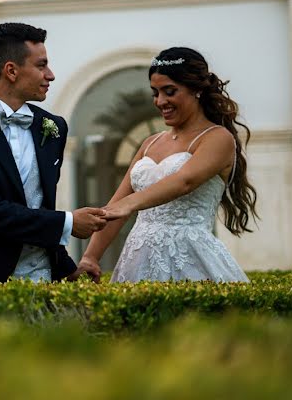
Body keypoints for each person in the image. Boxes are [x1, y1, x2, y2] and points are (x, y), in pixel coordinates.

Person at [0, 22, 110, 284]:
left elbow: (38, 206)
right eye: (41, 65)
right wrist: (67, 223)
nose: (50, 75)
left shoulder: (53, 127)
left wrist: (66, 267)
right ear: (11, 71)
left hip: (44, 280)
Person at [78, 47, 257, 282]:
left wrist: (131, 204)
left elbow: (185, 181)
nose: (160, 101)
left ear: (197, 90)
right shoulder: (150, 143)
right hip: (137, 259)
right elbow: (115, 208)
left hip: (191, 258)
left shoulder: (217, 138)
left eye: (170, 91)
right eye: (155, 92)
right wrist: (90, 257)